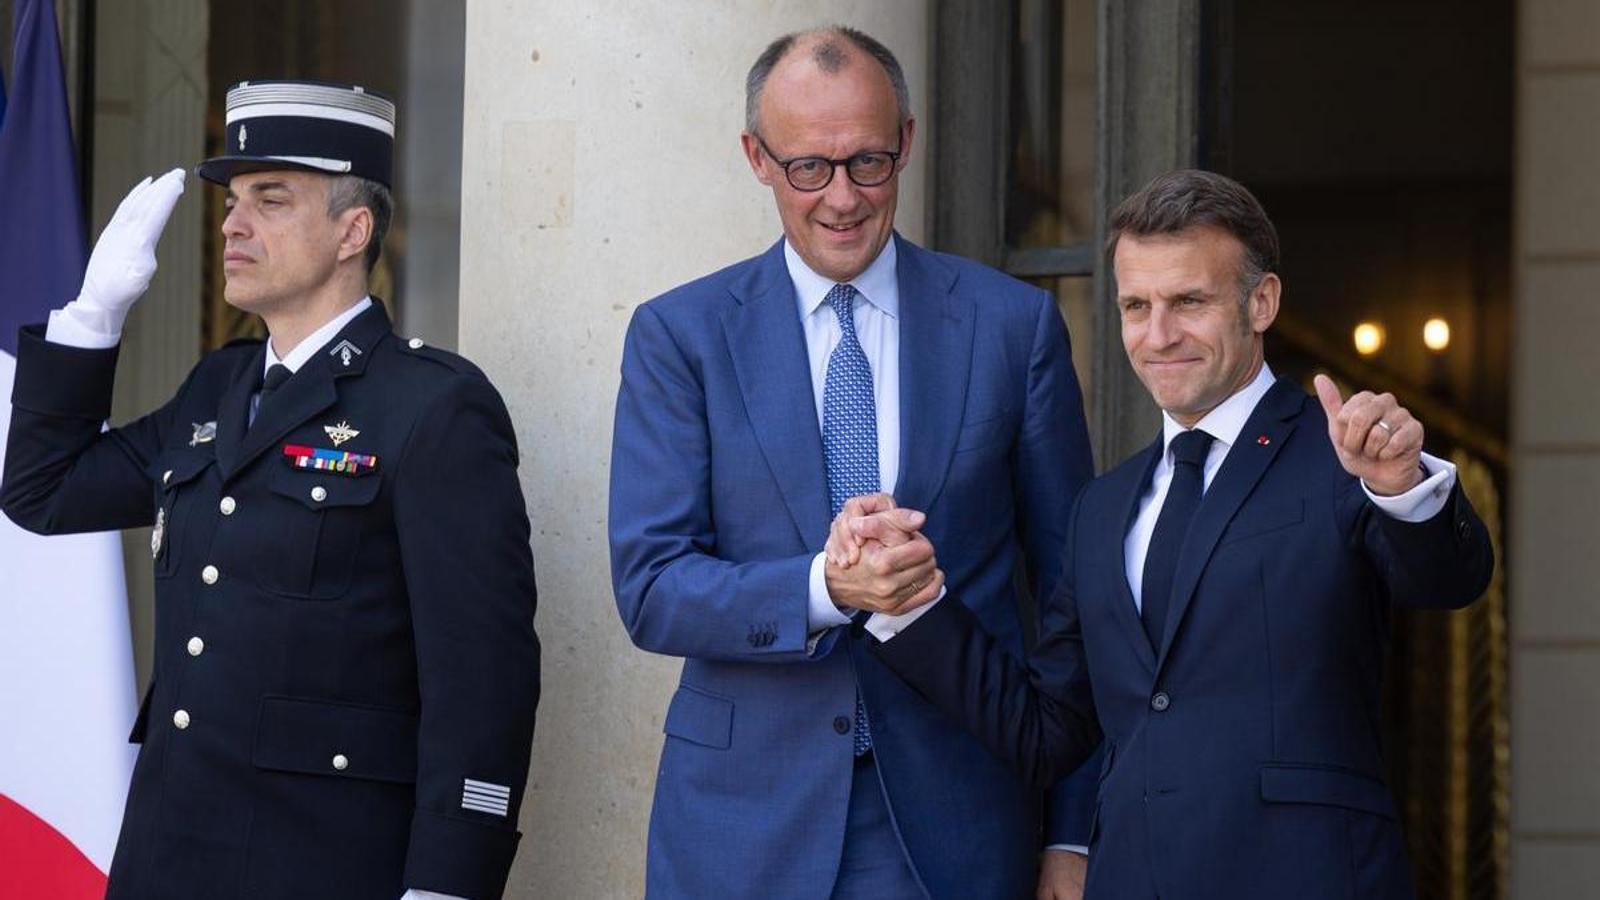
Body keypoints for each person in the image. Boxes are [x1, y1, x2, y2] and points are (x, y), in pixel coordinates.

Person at [835, 169, 1495, 899]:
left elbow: (1448, 579)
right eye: (1135, 306)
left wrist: (1402, 487)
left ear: (1262, 301)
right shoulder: (1104, 508)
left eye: (1189, 302)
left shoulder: (1345, 457)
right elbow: (1047, 731)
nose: (1158, 336)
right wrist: (910, 602)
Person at [1, 81, 540, 900]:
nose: (232, 224)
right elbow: (43, 490)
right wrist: (92, 315)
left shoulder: (432, 407)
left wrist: (448, 883)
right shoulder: (218, 387)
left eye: (272, 200)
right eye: (233, 201)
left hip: (319, 862)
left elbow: (483, 679)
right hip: (167, 857)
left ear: (352, 231)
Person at [607, 26, 1099, 900]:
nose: (842, 197)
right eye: (809, 168)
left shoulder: (1011, 329)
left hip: (957, 821)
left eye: (868, 162)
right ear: (757, 158)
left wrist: (1072, 833)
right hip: (743, 827)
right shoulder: (680, 335)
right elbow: (652, 587)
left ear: (907, 140)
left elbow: (1071, 597)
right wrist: (826, 590)